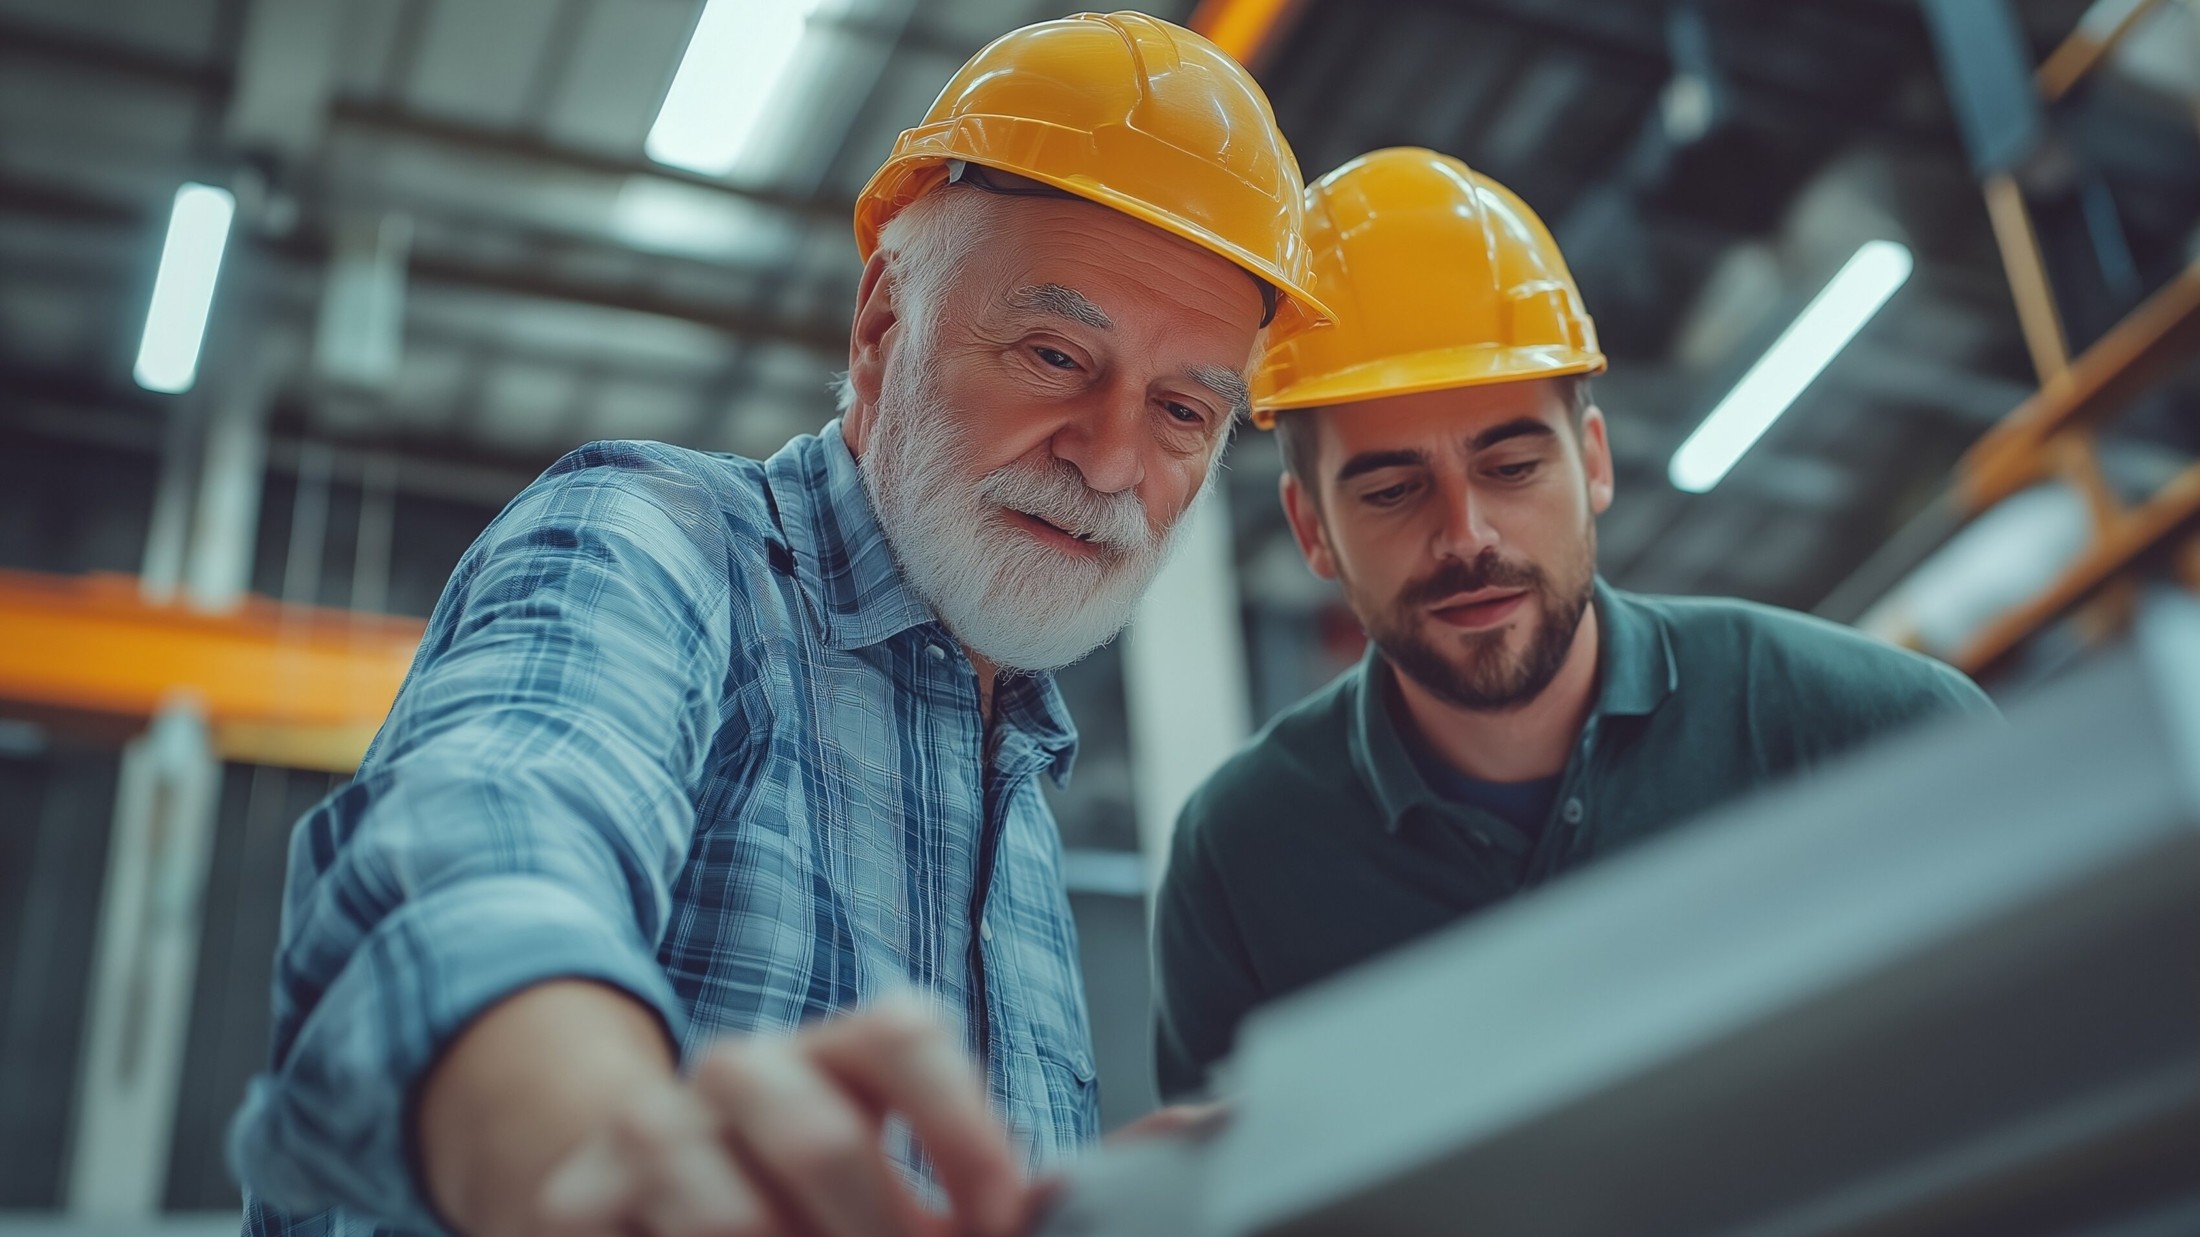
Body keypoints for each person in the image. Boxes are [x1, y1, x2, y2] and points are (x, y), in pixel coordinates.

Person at [227, 14, 1332, 1237]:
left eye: (1182, 410)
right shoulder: (657, 542)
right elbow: (483, 850)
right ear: (879, 331)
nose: (1113, 457)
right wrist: (583, 1146)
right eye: (1054, 352)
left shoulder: (1014, 776)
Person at [1152, 148, 1995, 1100]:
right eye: (1392, 490)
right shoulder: (1243, 859)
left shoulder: (1870, 734)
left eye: (1512, 468)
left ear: (1593, 461)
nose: (1465, 535)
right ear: (1312, 528)